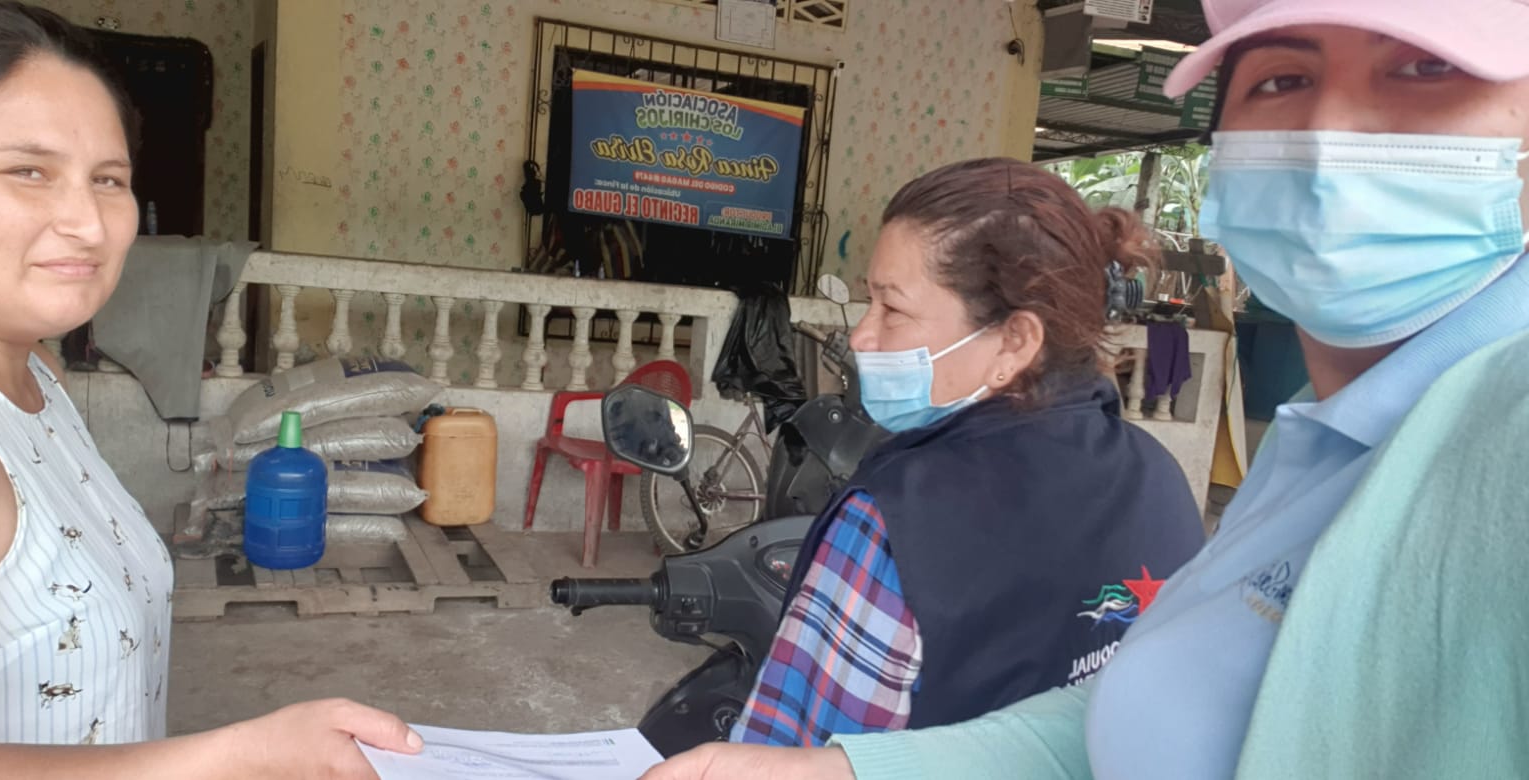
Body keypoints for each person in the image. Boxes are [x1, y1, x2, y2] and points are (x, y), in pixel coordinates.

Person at [640, 0, 1529, 777]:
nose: (1331, 132)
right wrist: (846, 771)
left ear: (1014, 343)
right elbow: (1137, 726)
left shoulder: (1506, 433)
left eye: (1426, 68)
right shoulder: (1267, 462)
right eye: (1282, 79)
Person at [0, 3, 421, 776]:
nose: (89, 222)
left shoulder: (36, 376)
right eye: (29, 171)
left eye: (108, 180)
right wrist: (235, 756)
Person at [723, 158, 1205, 749]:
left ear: (1014, 341)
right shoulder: (1158, 475)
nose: (862, 336)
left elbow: (789, 752)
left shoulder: (893, 519)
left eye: (892, 309)